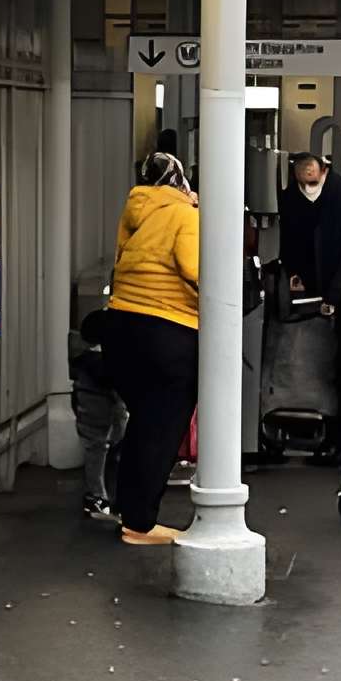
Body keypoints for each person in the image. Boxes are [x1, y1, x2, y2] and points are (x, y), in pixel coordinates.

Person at [99, 150, 200, 546]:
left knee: (143, 424)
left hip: (121, 327)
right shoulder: (184, 216)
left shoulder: (137, 211)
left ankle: (128, 511)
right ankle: (140, 523)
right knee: (159, 429)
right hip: (167, 330)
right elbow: (197, 269)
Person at [279, 147, 341, 450]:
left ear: (324, 172)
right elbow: (290, 239)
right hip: (308, 288)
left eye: (312, 183)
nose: (308, 189)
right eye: (302, 184)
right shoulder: (293, 197)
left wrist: (333, 295)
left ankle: (338, 432)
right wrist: (293, 276)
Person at [70, 279, 126, 524]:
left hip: (91, 395)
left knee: (98, 447)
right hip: (104, 396)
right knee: (108, 446)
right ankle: (100, 497)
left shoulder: (94, 328)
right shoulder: (124, 328)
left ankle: (97, 497)